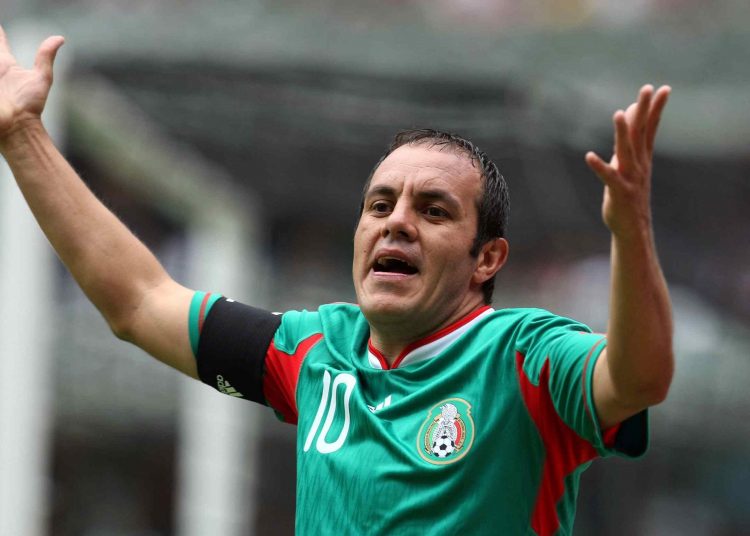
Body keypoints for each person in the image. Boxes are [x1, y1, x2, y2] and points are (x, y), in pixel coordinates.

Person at [0, 26, 674, 535]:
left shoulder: (527, 356)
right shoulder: (316, 350)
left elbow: (639, 378)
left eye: (433, 211)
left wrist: (630, 231)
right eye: (379, 205)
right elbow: (139, 301)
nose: (396, 223)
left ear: (487, 259)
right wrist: (22, 135)